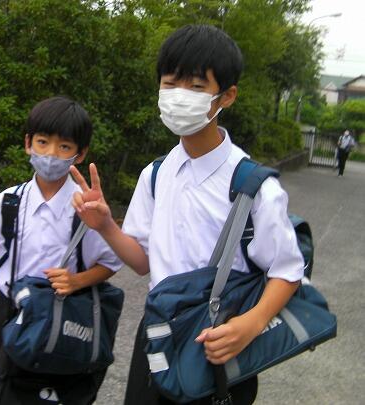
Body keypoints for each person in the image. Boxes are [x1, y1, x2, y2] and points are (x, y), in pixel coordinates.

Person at [70, 24, 304, 404]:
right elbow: (143, 262)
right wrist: (106, 226)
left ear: (227, 96)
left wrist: (252, 323)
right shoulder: (155, 174)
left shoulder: (253, 185)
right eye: (170, 83)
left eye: (196, 86)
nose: (180, 96)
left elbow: (287, 271)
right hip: (156, 336)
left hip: (220, 346)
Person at [0, 96, 122, 405]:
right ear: (28, 143)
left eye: (64, 147)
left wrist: (77, 281)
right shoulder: (9, 201)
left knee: (58, 395)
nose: (51, 154)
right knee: (0, 391)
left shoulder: (85, 207)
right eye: (42, 142)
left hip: (62, 314)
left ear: (80, 154)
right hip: (10, 310)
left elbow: (111, 262)